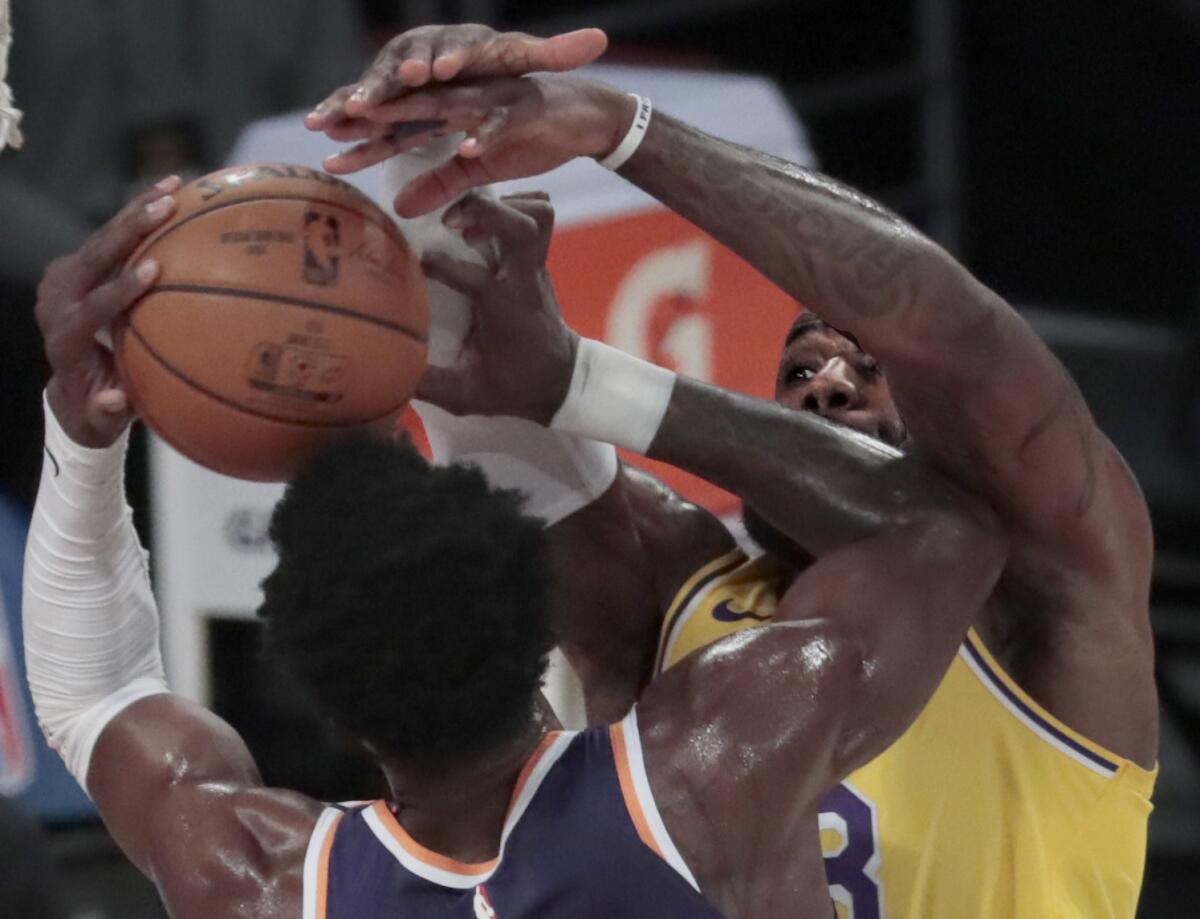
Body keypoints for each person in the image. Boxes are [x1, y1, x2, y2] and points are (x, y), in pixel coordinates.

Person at [308, 24, 1160, 919]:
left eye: (871, 371)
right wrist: (428, 130)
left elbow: (960, 339)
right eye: (800, 369)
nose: (828, 383)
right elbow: (473, 368)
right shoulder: (672, 592)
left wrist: (620, 130)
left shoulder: (1053, 585)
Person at [23, 166, 1004, 916]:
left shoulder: (266, 879)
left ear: (337, 713)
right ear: (540, 616)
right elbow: (944, 526)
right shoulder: (714, 770)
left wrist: (83, 427)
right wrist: (548, 370)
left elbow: (93, 695)